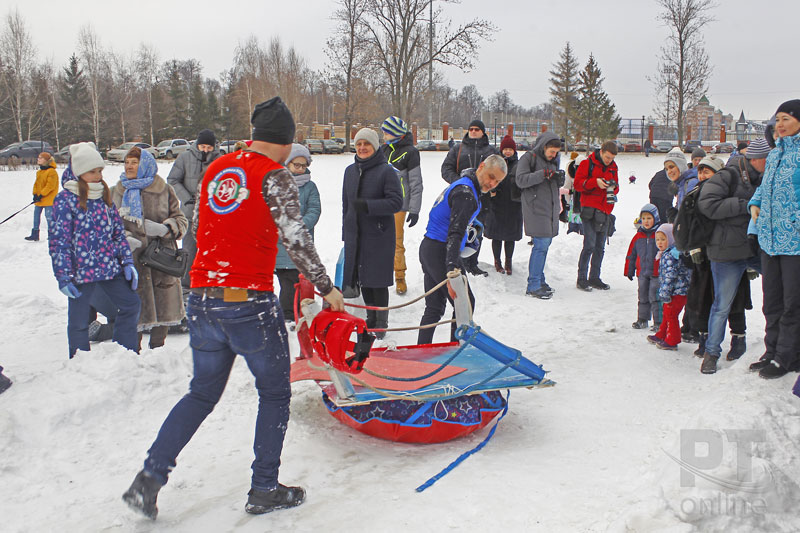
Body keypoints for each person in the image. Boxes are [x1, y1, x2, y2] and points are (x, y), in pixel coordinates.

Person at [122, 97, 344, 520]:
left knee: (201, 393)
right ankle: (264, 487)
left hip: (203, 299)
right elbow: (295, 237)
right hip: (249, 303)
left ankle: (148, 479)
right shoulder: (274, 175)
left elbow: (204, 228)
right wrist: (325, 286)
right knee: (275, 392)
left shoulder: (217, 170)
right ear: (285, 141)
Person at [49, 143, 141, 359]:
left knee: (131, 304)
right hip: (80, 272)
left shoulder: (103, 197)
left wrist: (127, 262)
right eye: (93, 171)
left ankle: (125, 354)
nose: (99, 175)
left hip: (110, 268)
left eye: (100, 171)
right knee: (79, 322)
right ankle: (80, 364)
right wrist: (63, 276)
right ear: (80, 172)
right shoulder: (65, 201)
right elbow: (59, 241)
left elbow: (118, 234)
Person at [417, 155, 507, 344]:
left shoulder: (465, 183)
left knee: (434, 308)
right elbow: (455, 233)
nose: (492, 183)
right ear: (481, 166)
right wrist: (452, 269)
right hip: (441, 251)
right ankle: (453, 352)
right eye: (491, 176)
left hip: (429, 248)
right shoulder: (466, 194)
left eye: (497, 181)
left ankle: (422, 351)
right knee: (464, 305)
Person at [695, 149, 765, 374]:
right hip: (726, 251)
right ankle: (711, 353)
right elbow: (708, 205)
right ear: (755, 159)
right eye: (768, 158)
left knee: (781, 290)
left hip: (755, 247)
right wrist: (745, 204)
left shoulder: (767, 177)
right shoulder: (727, 176)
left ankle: (779, 343)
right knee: (721, 305)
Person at [112, 147, 188, 350]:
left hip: (161, 259)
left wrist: (165, 228)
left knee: (163, 308)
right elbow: (108, 225)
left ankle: (158, 351)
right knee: (134, 308)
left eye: (134, 162)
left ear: (145, 164)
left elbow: (181, 219)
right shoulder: (117, 191)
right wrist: (123, 239)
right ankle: (132, 352)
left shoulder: (163, 189)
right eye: (126, 162)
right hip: (132, 260)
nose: (129, 166)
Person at [747, 100, 800, 379]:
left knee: (793, 303)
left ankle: (787, 356)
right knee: (772, 301)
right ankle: (772, 350)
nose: (779, 125)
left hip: (795, 243)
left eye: (786, 119)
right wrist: (753, 205)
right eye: (777, 119)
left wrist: (794, 220)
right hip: (770, 239)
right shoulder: (776, 153)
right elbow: (764, 190)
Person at [341, 127, 403, 339]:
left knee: (378, 280)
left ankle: (381, 321)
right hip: (356, 234)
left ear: (374, 146)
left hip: (378, 235)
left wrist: (368, 206)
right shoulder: (350, 171)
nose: (362, 148)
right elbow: (346, 205)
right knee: (364, 278)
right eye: (359, 144)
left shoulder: (386, 171)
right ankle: (370, 318)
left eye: (366, 144)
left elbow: (396, 202)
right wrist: (345, 232)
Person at [441, 120, 498, 277]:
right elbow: (446, 168)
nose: (473, 131)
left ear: (483, 132)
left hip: (483, 198)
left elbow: (498, 172)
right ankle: (456, 261)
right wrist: (459, 183)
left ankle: (473, 263)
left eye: (477, 129)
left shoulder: (490, 150)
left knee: (477, 230)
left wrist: (490, 186)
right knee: (458, 228)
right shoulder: (458, 149)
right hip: (460, 196)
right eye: (471, 129)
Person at [167, 129, 221, 291]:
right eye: (202, 146)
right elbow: (173, 180)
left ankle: (210, 286)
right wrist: (187, 198)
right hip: (190, 214)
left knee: (212, 253)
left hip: (212, 215)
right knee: (189, 252)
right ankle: (186, 287)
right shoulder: (184, 157)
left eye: (209, 147)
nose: (205, 150)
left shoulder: (220, 160)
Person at [275, 143, 321, 322]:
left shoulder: (310, 187)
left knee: (302, 282)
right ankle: (287, 315)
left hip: (302, 244)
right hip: (282, 245)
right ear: (288, 164)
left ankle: (302, 313)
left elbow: (314, 210)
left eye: (304, 165)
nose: (301, 169)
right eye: (297, 165)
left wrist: (300, 226)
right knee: (286, 284)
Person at [515, 132, 563, 299]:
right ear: (544, 147)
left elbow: (553, 183)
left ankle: (540, 280)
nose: (554, 155)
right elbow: (520, 180)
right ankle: (533, 285)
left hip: (549, 208)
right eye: (552, 152)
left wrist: (558, 178)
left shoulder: (554, 160)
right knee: (541, 245)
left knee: (545, 245)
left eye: (556, 153)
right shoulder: (529, 158)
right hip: (535, 208)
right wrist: (543, 174)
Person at [380, 116, 423, 295]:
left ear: (396, 133)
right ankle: (380, 274)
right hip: (380, 203)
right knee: (378, 241)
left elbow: (415, 182)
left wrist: (414, 209)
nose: (383, 135)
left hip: (399, 204)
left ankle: (400, 277)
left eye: (386, 132)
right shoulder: (381, 150)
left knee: (397, 241)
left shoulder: (411, 152)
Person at [573, 140, 619, 291]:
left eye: (611, 158)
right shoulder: (587, 164)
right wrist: (595, 182)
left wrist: (611, 185)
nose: (609, 161)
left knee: (600, 247)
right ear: (601, 151)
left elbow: (617, 188)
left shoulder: (613, 167)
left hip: (605, 210)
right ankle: (581, 278)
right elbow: (578, 184)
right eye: (607, 157)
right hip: (590, 209)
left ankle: (594, 277)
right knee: (589, 245)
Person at [647, 224, 691, 350]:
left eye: (663, 239)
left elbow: (670, 276)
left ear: (671, 239)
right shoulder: (666, 253)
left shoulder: (672, 255)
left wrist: (665, 292)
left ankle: (672, 340)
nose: (659, 242)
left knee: (671, 315)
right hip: (673, 291)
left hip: (677, 292)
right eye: (657, 240)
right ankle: (662, 334)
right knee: (667, 313)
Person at [485, 135, 522, 276]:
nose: (507, 152)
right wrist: (492, 190)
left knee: (510, 236)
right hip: (497, 204)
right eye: (505, 149)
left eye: (510, 149)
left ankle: (508, 262)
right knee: (497, 235)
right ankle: (497, 261)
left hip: (514, 205)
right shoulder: (496, 164)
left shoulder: (519, 165)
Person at [625, 204, 661, 329]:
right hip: (642, 272)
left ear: (655, 218)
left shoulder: (659, 235)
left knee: (655, 297)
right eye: (644, 218)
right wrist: (629, 270)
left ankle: (658, 322)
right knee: (642, 295)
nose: (646, 221)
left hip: (657, 273)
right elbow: (631, 254)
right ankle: (642, 319)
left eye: (649, 218)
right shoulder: (638, 236)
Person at [24, 152, 59, 241]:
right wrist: (35, 194)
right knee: (36, 216)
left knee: (49, 217)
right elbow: (36, 184)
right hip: (39, 199)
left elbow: (50, 186)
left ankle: (52, 235)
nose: (38, 159)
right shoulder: (39, 172)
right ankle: (35, 233)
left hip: (49, 199)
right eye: (38, 157)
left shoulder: (52, 172)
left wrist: (41, 194)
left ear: (46, 160)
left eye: (41, 158)